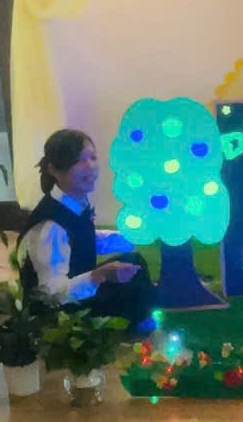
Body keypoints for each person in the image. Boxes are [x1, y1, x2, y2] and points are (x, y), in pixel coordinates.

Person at [18, 129, 154, 330]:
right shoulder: (50, 226)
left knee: (134, 262)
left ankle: (142, 321)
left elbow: (84, 239)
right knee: (135, 284)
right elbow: (50, 295)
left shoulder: (73, 203)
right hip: (60, 316)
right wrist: (99, 276)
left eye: (93, 157)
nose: (90, 167)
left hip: (77, 289)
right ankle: (136, 328)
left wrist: (134, 237)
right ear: (54, 169)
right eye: (79, 161)